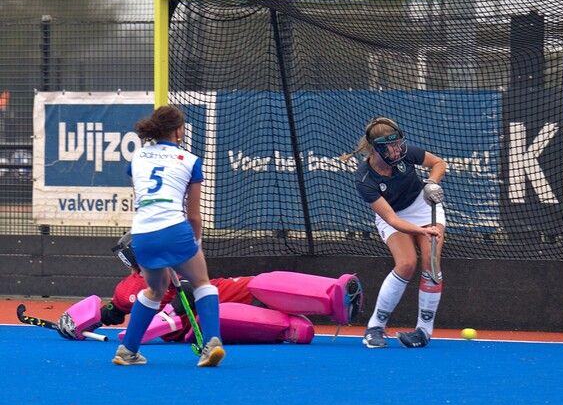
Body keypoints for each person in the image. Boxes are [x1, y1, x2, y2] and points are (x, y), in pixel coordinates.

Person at [57, 234, 363, 345]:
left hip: (199, 324)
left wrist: (83, 320)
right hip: (207, 316)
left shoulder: (130, 288)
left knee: (286, 316)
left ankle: (310, 314)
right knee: (258, 285)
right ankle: (329, 297)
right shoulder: (148, 281)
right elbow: (116, 308)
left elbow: (113, 310)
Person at [114, 104, 223, 366]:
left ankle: (127, 351)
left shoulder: (137, 158)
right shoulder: (190, 160)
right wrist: (193, 245)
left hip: (143, 234)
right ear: (178, 131)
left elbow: (141, 200)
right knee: (202, 283)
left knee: (155, 288)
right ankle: (213, 343)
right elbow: (194, 215)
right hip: (175, 230)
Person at [343, 116, 446, 349]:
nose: (396, 149)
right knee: (406, 263)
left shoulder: (406, 152)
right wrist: (421, 230)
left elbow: (438, 163)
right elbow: (391, 219)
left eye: (398, 143)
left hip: (422, 206)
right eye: (389, 146)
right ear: (376, 149)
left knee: (431, 262)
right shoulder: (365, 179)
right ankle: (375, 327)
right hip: (393, 216)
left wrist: (431, 183)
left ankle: (423, 331)